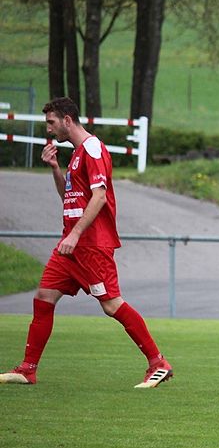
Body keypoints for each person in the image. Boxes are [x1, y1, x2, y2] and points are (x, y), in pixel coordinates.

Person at [0, 97, 173, 389]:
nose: (49, 129)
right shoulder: (77, 154)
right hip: (71, 247)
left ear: (67, 120)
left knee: (111, 305)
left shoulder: (93, 149)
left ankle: (158, 363)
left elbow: (100, 197)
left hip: (91, 245)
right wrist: (55, 168)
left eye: (51, 122)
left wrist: (76, 234)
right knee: (44, 297)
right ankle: (28, 369)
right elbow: (68, 197)